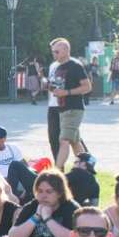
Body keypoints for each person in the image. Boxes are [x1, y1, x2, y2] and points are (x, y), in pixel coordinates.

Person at [46, 37, 90, 168]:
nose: (54, 54)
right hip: (61, 108)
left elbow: (87, 87)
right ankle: (87, 168)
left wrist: (66, 92)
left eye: (57, 51)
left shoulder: (75, 65)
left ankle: (56, 172)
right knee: (75, 142)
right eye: (53, 52)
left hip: (73, 108)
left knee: (64, 140)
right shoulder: (57, 67)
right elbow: (58, 87)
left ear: (66, 50)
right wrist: (50, 87)